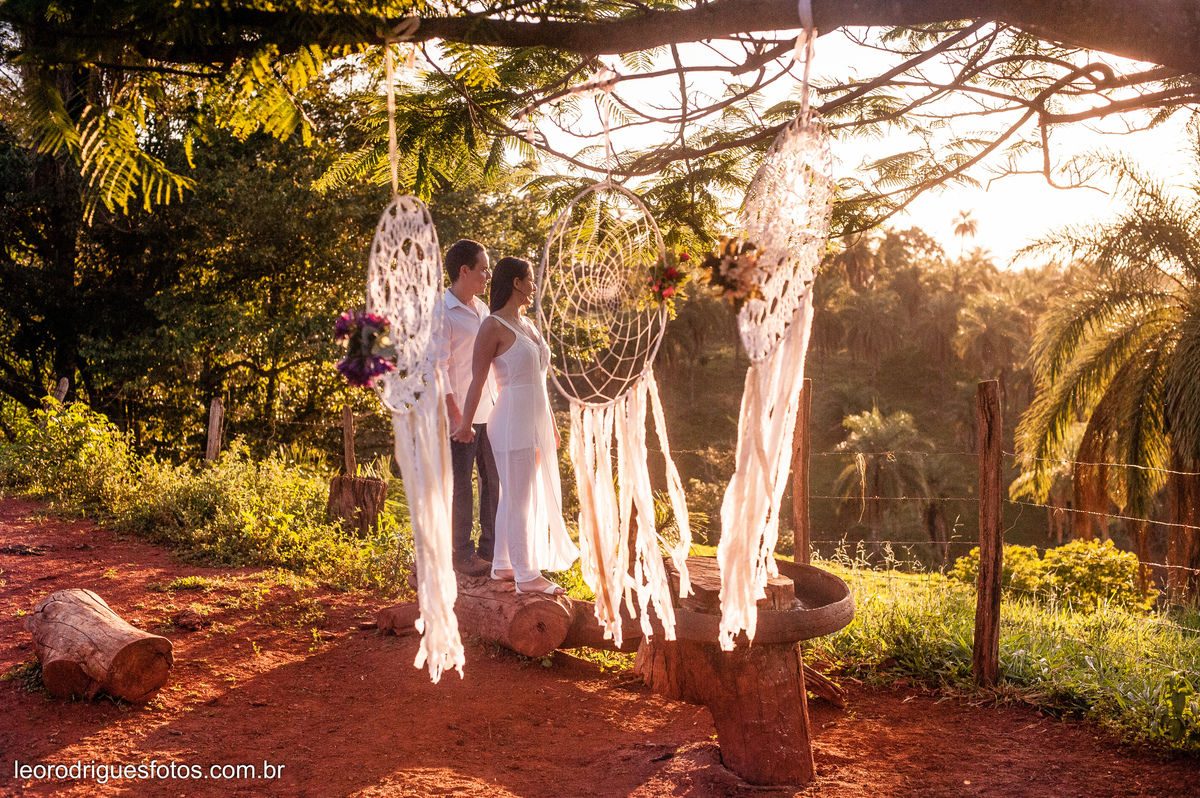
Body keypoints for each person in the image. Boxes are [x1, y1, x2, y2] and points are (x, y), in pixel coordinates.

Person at [450, 257, 579, 595]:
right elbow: (477, 382)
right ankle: (526, 575)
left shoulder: (528, 325)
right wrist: (465, 425)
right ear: (516, 283)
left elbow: (539, 380)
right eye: (530, 279)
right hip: (509, 419)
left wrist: (549, 423)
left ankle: (503, 564)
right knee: (518, 497)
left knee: (514, 495)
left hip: (534, 419)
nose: (534, 287)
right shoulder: (492, 326)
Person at [436, 239, 499, 577]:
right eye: (482, 269)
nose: (487, 275)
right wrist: (455, 414)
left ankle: (489, 552)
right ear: (464, 271)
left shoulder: (484, 311)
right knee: (462, 485)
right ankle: (461, 554)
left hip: (490, 414)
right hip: (459, 418)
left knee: (493, 483)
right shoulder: (442, 312)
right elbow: (438, 367)